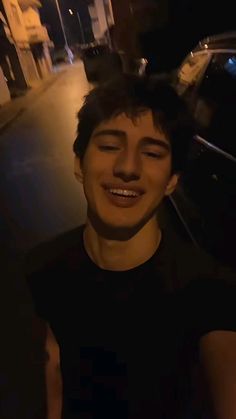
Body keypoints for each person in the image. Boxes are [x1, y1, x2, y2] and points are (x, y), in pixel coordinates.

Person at [26, 74, 236, 419]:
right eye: (109, 146)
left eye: (152, 153)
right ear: (79, 163)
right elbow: (55, 368)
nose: (127, 168)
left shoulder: (209, 291)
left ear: (171, 180)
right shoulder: (43, 268)